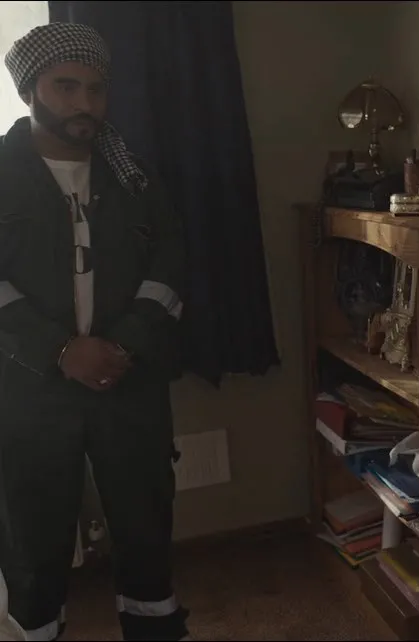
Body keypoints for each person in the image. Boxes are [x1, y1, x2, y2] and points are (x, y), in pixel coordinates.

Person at [0, 23, 188, 642]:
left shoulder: (134, 177)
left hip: (127, 377)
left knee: (145, 521)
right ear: (30, 91)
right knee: (32, 530)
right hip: (27, 387)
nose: (85, 103)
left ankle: (155, 629)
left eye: (96, 89)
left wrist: (124, 344)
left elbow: (170, 268)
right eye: (66, 87)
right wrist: (59, 350)